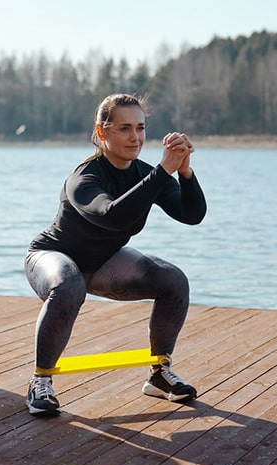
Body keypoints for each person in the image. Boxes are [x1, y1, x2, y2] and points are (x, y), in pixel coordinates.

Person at [24, 93, 207, 416]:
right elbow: (111, 216)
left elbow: (191, 215)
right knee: (68, 285)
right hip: (52, 256)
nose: (135, 137)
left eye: (140, 128)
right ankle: (41, 382)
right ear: (102, 132)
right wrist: (164, 170)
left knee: (173, 281)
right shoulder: (85, 178)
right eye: (124, 128)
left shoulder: (148, 174)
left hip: (103, 261)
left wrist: (185, 173)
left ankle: (159, 374)